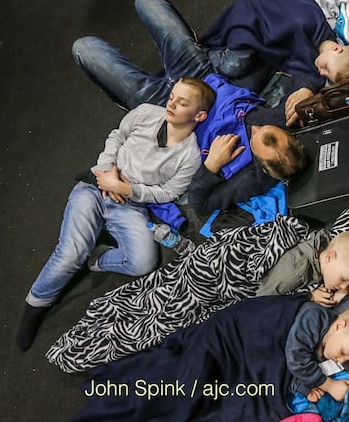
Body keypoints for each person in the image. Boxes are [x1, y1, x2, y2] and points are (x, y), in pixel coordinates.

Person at [15, 77, 216, 352]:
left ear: (199, 115)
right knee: (72, 253)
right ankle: (36, 303)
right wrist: (107, 170)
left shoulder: (189, 155)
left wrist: (127, 188)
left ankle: (97, 258)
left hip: (130, 204)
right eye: (172, 96)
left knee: (143, 262)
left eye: (182, 103)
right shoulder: (146, 113)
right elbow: (116, 135)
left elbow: (167, 192)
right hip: (94, 187)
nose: (171, 103)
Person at [46, 209, 349, 373]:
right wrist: (305, 297)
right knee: (159, 321)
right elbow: (263, 300)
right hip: (210, 278)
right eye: (346, 280)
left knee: (154, 297)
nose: (344, 288)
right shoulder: (299, 268)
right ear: (330, 255)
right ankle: (78, 350)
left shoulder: (314, 253)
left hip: (209, 269)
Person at [72, 0, 349, 126]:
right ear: (338, 48)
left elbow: (304, 85)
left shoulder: (322, 74)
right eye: (327, 70)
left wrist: (307, 87)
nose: (323, 74)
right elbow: (263, 14)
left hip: (170, 108)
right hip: (203, 70)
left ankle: (187, 60)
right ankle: (197, 50)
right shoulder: (319, 29)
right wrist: (308, 82)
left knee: (83, 48)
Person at [68, 294, 349, 421]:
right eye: (345, 351)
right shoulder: (315, 317)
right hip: (228, 343)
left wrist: (303, 387)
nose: (340, 358)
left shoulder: (326, 340)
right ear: (340, 325)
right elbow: (295, 357)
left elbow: (292, 368)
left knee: (230, 405)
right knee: (181, 386)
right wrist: (325, 384)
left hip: (249, 365)